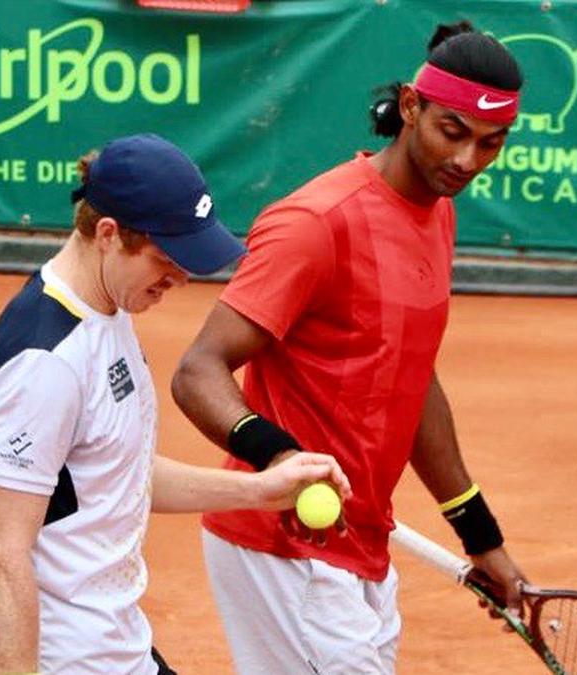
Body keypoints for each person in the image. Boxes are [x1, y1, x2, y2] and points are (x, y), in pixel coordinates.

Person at [171, 22, 527, 673]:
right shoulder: (317, 224)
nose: (468, 160)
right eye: (454, 132)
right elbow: (199, 370)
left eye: (491, 143)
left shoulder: (437, 214)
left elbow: (411, 375)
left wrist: (482, 536)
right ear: (412, 106)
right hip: (285, 545)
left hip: (361, 542)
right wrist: (279, 456)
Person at [0, 133, 351, 674]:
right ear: (108, 234)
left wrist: (258, 491)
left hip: (116, 647)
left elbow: (114, 472)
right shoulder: (43, 363)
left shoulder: (106, 313)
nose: (183, 278)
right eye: (169, 258)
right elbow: (0, 558)